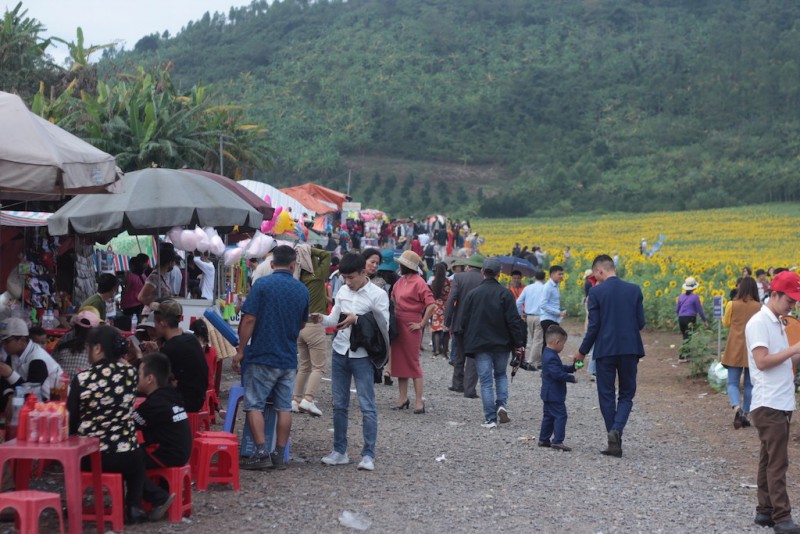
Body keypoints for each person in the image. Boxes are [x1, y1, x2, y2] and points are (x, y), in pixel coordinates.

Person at [67, 325, 174, 524]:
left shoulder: (82, 379)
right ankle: (133, 507)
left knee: (82, 456)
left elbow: (71, 420)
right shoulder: (130, 374)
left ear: (97, 348)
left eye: (89, 347)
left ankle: (74, 505)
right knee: (135, 456)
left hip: (92, 456)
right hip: (127, 454)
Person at [233, 245, 309, 470]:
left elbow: (248, 319)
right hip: (288, 358)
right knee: (284, 407)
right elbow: (303, 323)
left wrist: (240, 350)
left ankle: (261, 452)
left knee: (254, 404)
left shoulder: (262, 285)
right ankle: (278, 454)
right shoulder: (302, 290)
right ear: (294, 266)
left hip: (262, 355)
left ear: (273, 264)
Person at [313, 253, 389, 471]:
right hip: (340, 352)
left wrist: (358, 319)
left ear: (363, 273)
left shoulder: (378, 295)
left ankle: (368, 455)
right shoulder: (343, 291)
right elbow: (334, 319)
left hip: (363, 356)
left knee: (367, 406)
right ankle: (339, 451)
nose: (347, 281)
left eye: (351, 277)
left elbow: (384, 326)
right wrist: (321, 319)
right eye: (344, 277)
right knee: (339, 405)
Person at [744, 270, 800, 533]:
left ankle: (764, 512)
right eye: (789, 299)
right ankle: (782, 517)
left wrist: (795, 353)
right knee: (778, 462)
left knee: (768, 459)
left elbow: (782, 360)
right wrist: (793, 349)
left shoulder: (778, 321)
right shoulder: (759, 323)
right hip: (769, 402)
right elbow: (762, 361)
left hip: (779, 400)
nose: (793, 305)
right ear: (774, 294)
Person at [573, 254, 645, 458]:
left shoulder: (596, 292)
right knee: (626, 393)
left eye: (596, 275)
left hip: (605, 350)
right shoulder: (634, 290)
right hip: (630, 349)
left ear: (600, 270)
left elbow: (593, 327)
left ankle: (613, 437)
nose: (596, 279)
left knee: (606, 394)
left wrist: (582, 351)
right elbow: (640, 323)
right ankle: (617, 430)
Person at [458, 257, 526, 429]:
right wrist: (518, 343)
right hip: (502, 344)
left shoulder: (473, 294)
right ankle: (502, 404)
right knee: (501, 375)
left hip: (480, 344)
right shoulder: (505, 294)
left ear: (482, 272)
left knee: (486, 381)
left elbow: (463, 321)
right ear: (499, 274)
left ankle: (490, 419)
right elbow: (513, 321)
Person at [133, 352, 190, 511]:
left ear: (150, 378)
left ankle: (158, 498)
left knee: (126, 460)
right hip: (181, 451)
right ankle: (160, 492)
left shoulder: (154, 404)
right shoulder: (170, 394)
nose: (136, 377)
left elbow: (128, 426)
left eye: (139, 374)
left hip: (167, 453)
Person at [390, 250, 435, 413]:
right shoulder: (400, 281)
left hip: (411, 324)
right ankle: (402, 398)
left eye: (401, 264)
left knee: (413, 363)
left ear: (406, 266)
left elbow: (431, 304)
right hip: (399, 322)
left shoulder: (419, 282)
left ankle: (419, 401)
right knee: (400, 362)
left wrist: (422, 324)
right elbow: (393, 298)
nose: (399, 266)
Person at [148, 299, 208, 412]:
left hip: (185, 402)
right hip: (198, 397)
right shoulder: (190, 339)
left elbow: (156, 378)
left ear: (162, 324)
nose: (154, 327)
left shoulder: (170, 348)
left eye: (155, 323)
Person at [292, 245, 331, 417]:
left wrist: (300, 251)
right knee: (319, 367)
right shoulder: (318, 276)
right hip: (314, 325)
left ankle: (295, 399)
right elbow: (326, 254)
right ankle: (308, 399)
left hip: (300, 326)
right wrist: (310, 249)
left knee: (304, 366)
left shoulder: (298, 277)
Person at [722, 276, 761, 429]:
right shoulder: (759, 307)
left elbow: (726, 323)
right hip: (753, 347)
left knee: (732, 382)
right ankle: (745, 413)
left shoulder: (732, 304)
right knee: (749, 385)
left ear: (741, 288)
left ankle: (736, 408)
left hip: (734, 346)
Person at [445, 254, 485, 398]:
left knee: (459, 353)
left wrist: (447, 321)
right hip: (478, 324)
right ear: (481, 268)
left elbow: (451, 300)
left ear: (468, 266)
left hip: (459, 322)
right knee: (473, 357)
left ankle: (457, 384)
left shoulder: (459, 277)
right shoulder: (484, 280)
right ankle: (470, 390)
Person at [0, 317, 63, 408]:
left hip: (52, 406)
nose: (4, 345)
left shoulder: (38, 359)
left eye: (7, 341)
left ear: (22, 340)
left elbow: (31, 394)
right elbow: (4, 381)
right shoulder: (13, 354)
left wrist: (10, 374)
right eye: (2, 341)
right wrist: (10, 395)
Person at [538, 325, 576, 451]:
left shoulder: (547, 353)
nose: (563, 347)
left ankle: (544, 439)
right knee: (561, 416)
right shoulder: (551, 356)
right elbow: (557, 373)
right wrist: (571, 378)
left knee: (548, 416)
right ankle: (558, 441)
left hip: (548, 394)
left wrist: (572, 368)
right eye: (563, 344)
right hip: (554, 394)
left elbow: (558, 368)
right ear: (557, 342)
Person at [51, 309, 101, 378]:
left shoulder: (63, 340)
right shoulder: (96, 349)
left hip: (61, 385)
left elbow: (52, 362)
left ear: (75, 327)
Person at [516, 270, 545, 371]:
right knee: (538, 340)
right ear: (544, 278)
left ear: (534, 278)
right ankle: (531, 363)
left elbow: (518, 302)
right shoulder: (544, 288)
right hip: (540, 316)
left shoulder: (528, 288)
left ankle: (539, 361)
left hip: (529, 316)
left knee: (534, 339)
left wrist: (521, 314)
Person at [539, 265, 566, 349]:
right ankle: (546, 361)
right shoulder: (548, 287)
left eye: (562, 274)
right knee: (548, 344)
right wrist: (558, 312)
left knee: (552, 344)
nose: (561, 276)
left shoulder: (555, 286)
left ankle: (548, 361)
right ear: (552, 274)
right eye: (559, 274)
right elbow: (543, 304)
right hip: (548, 319)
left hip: (553, 319)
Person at [429, 262, 451, 359]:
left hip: (436, 305)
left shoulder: (434, 282)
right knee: (445, 330)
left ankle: (436, 349)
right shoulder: (448, 282)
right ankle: (445, 351)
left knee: (436, 329)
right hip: (445, 306)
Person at [675, 276, 707, 343]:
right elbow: (700, 311)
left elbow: (677, 309)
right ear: (694, 288)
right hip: (690, 318)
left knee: (684, 336)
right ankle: (686, 352)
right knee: (689, 336)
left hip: (681, 318)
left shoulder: (681, 296)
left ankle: (684, 352)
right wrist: (704, 320)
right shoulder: (695, 297)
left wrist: (681, 315)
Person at [121, 256, 147, 320]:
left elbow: (126, 290)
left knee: (128, 323)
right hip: (139, 303)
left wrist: (122, 284)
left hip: (129, 304)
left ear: (132, 265)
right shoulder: (143, 276)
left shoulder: (130, 276)